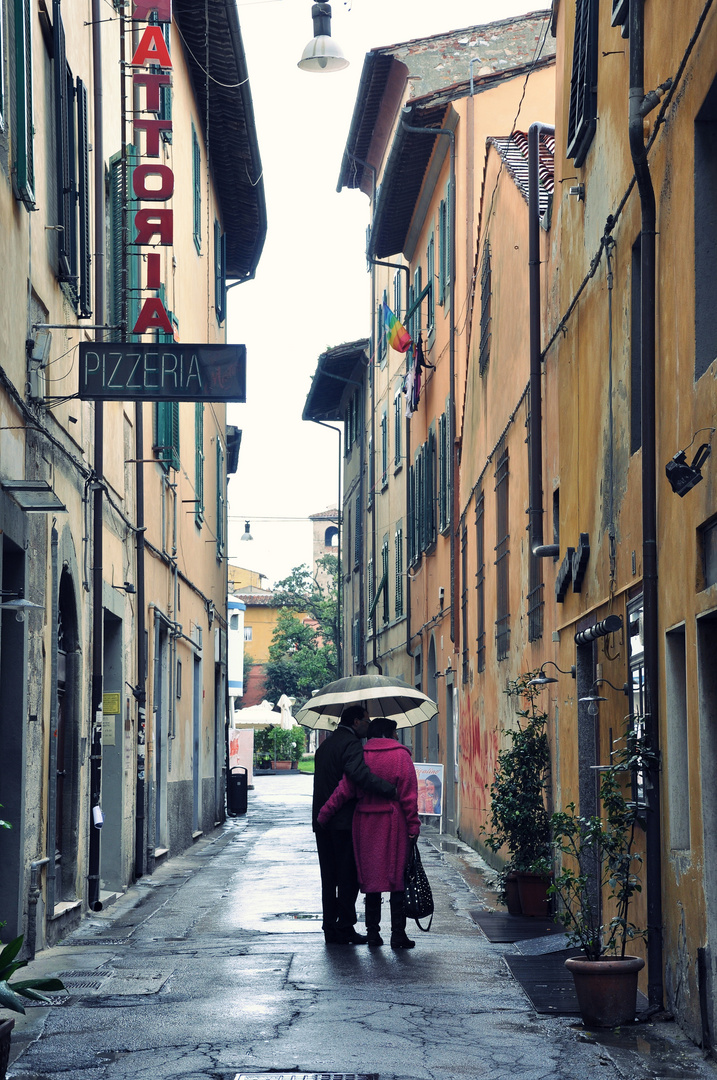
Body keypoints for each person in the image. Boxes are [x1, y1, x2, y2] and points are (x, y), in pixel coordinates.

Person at [318, 716, 420, 949]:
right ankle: (398, 934)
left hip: (365, 824)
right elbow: (409, 796)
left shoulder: (362, 755)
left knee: (371, 878)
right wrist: (413, 826)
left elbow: (344, 789)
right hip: (394, 824)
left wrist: (325, 814)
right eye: (394, 733)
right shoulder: (401, 756)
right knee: (397, 879)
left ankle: (373, 933)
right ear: (388, 733)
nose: (396, 737)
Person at [312, 705, 397, 945]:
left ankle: (330, 927)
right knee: (348, 877)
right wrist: (390, 790)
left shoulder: (326, 744)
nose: (368, 726)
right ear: (356, 721)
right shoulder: (350, 744)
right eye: (366, 721)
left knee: (328, 878)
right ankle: (346, 928)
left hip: (322, 821)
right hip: (342, 822)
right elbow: (358, 775)